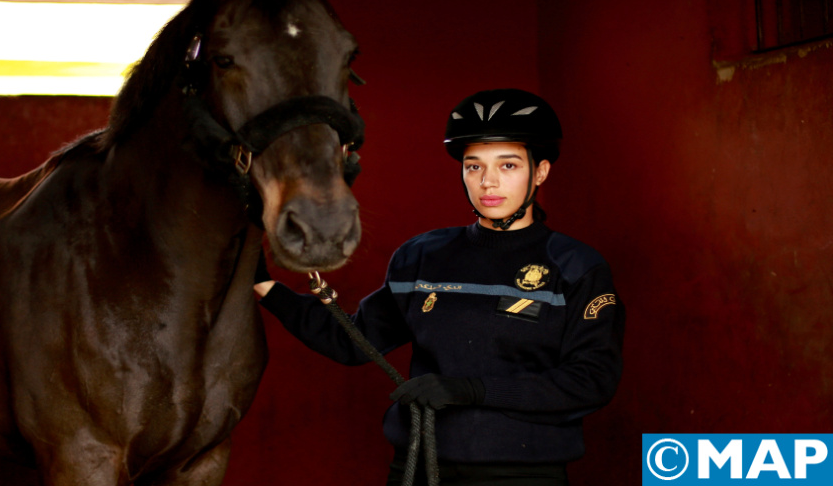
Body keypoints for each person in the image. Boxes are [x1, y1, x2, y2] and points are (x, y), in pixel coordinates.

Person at [253, 89, 626, 486]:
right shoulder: (423, 255)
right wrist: (266, 287)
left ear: (541, 172)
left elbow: (591, 381)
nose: (488, 182)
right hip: (418, 468)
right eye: (473, 166)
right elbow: (352, 342)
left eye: (509, 165)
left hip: (521, 473)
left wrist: (469, 390)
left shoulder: (575, 266)